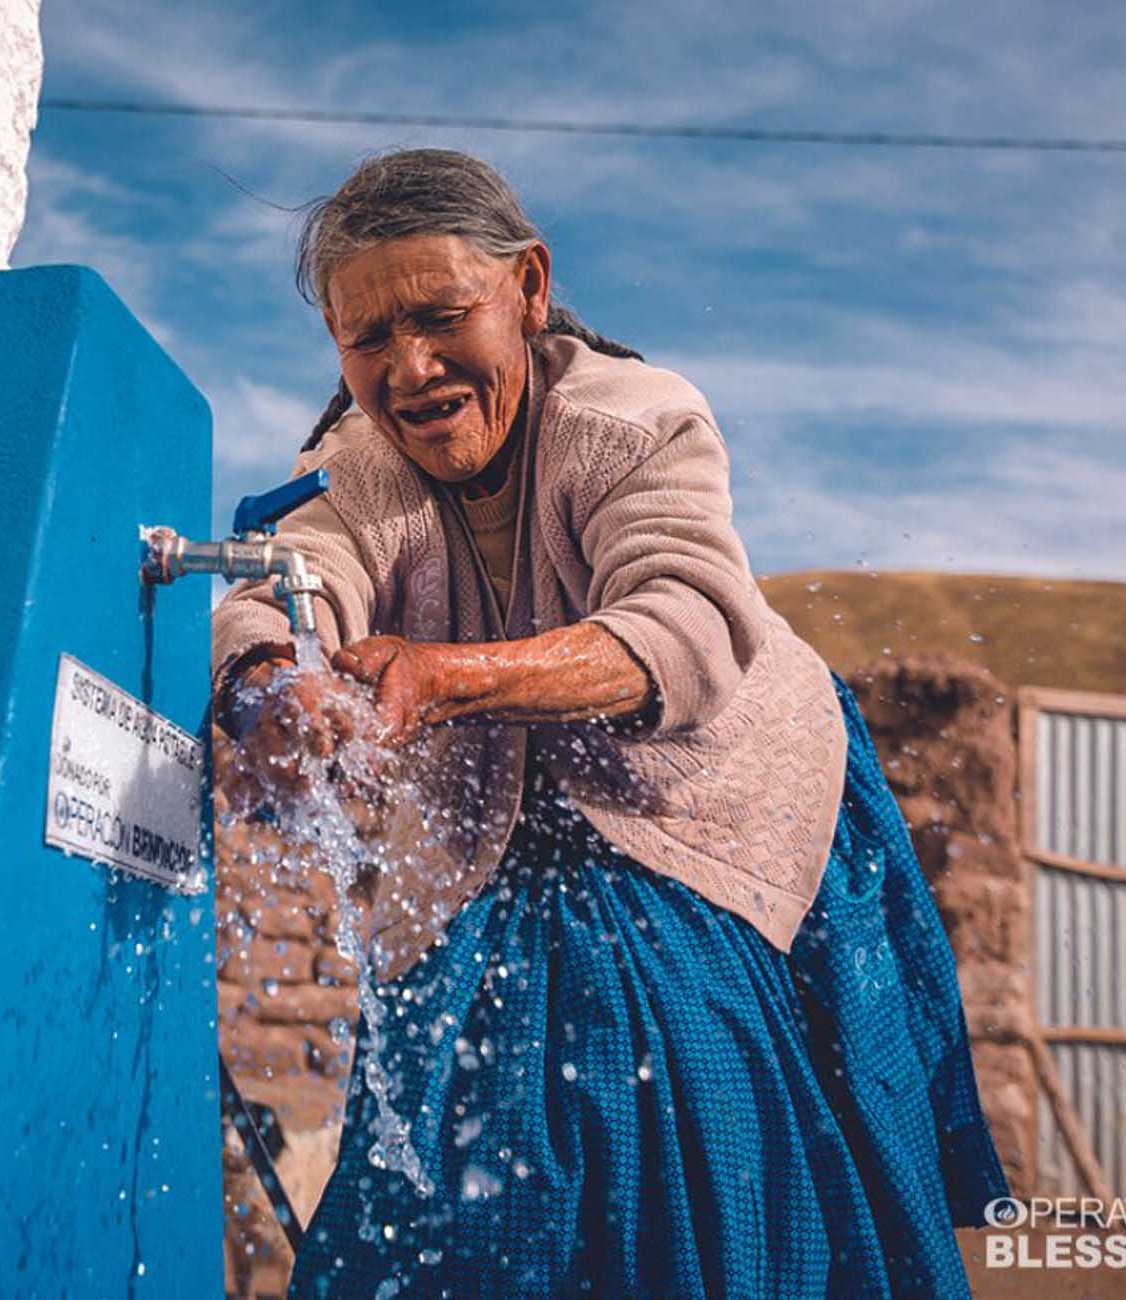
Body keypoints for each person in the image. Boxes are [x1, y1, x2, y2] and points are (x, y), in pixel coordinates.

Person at [212, 148, 1008, 1298]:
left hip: (705, 802)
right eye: (366, 339)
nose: (411, 369)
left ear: (527, 289)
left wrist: (442, 678)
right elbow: (293, 571)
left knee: (666, 1092)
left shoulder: (629, 417)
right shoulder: (358, 460)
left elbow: (684, 618)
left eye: (442, 318)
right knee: (455, 1112)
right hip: (506, 825)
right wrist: (272, 681)